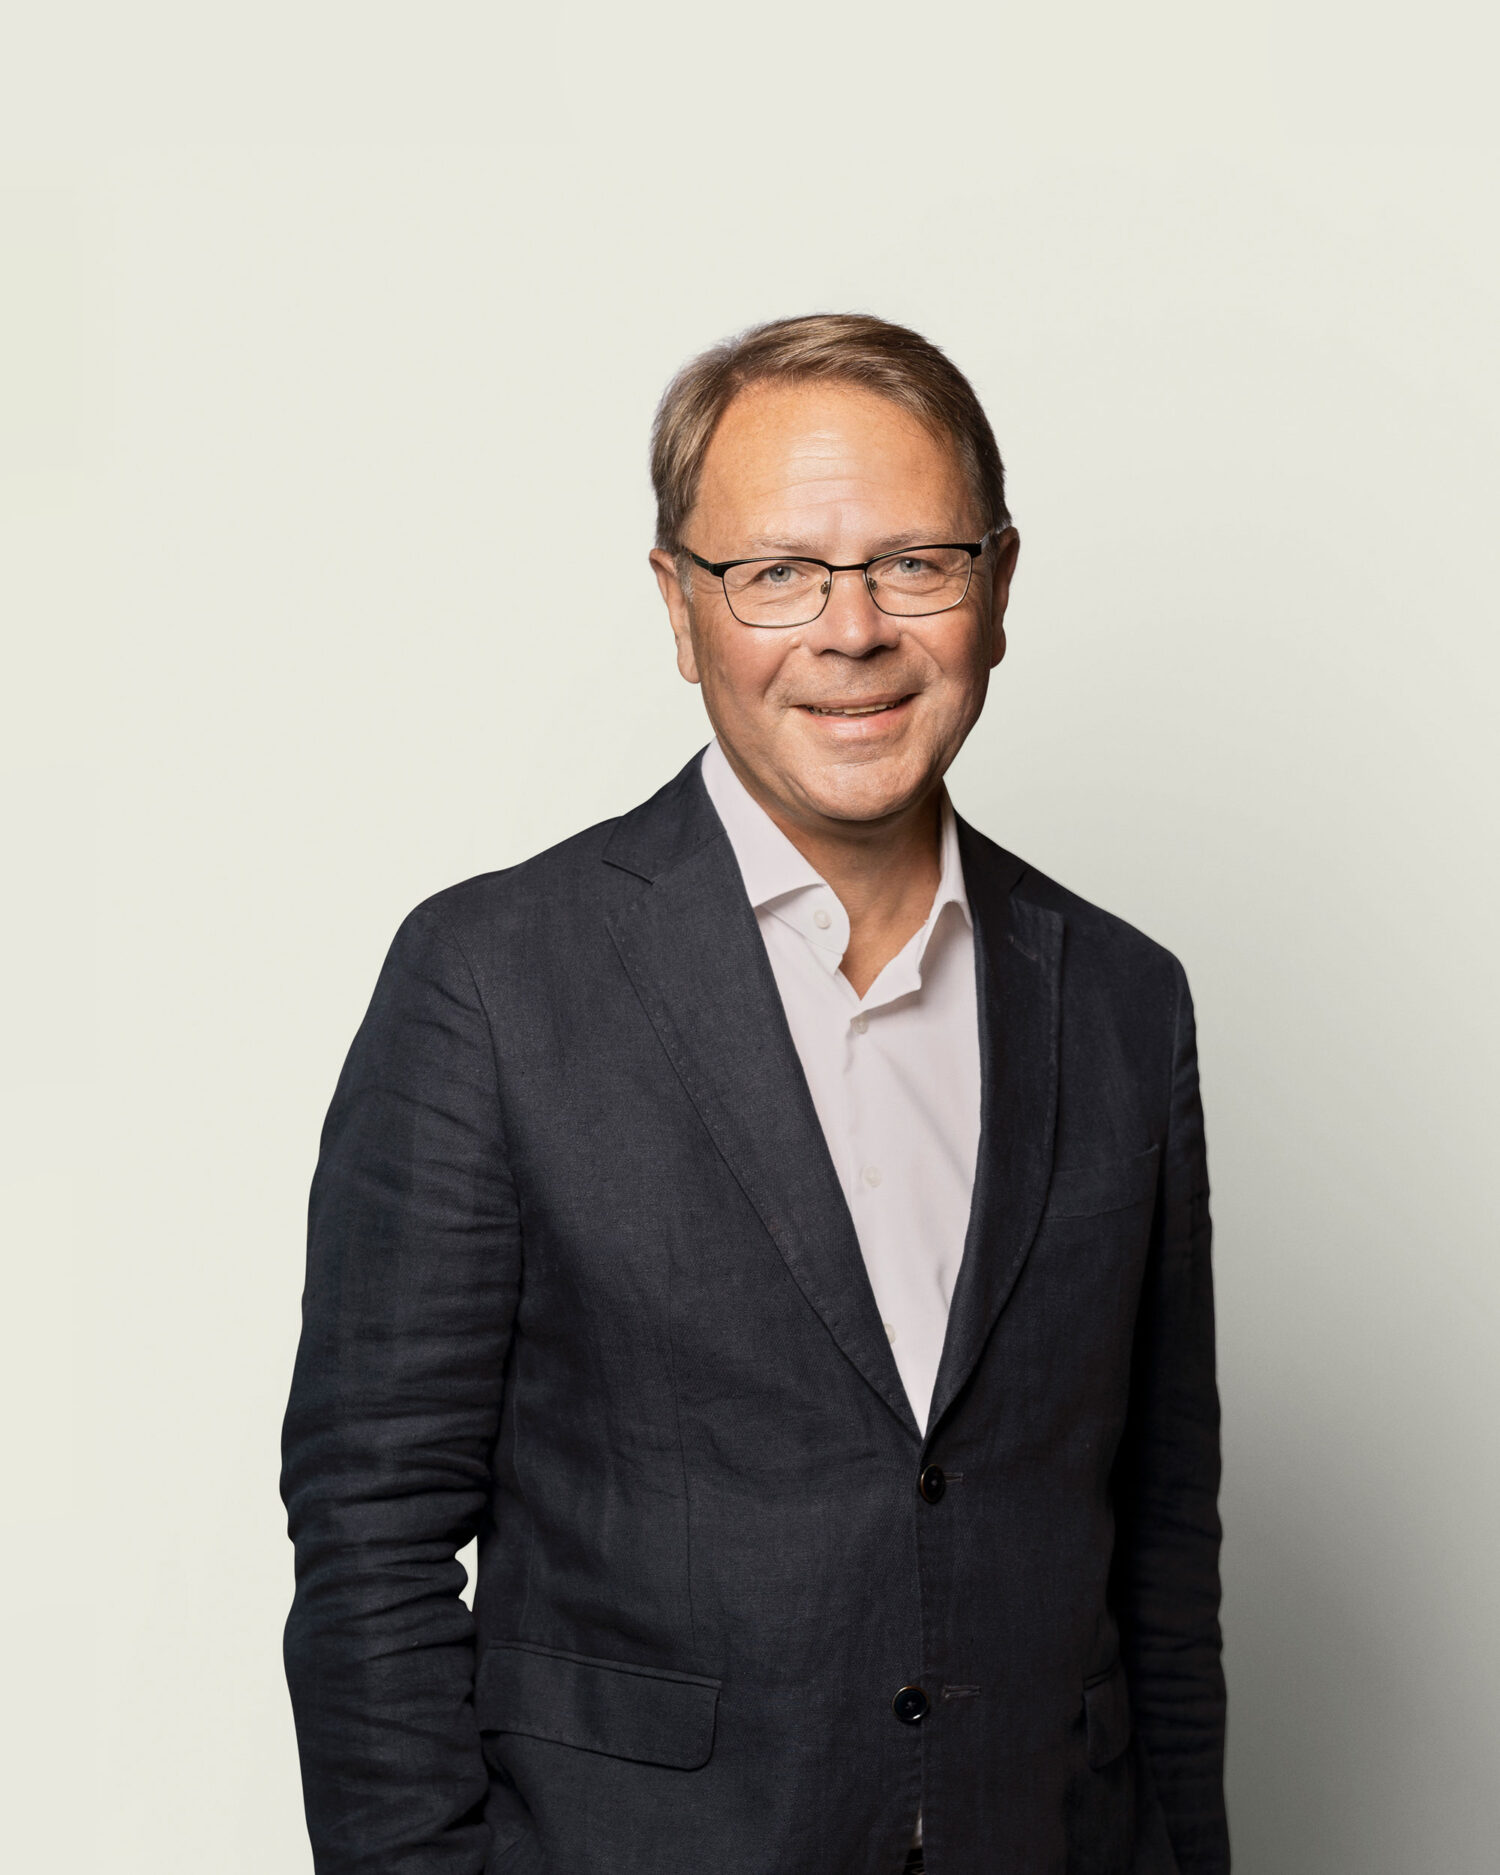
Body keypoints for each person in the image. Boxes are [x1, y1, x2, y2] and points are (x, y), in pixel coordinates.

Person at [280, 313, 1228, 1874]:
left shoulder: (1125, 1002)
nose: (851, 631)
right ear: (680, 604)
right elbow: (369, 1534)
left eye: (914, 563)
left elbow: (1162, 1546)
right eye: (778, 571)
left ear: (997, 587)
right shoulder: (493, 982)